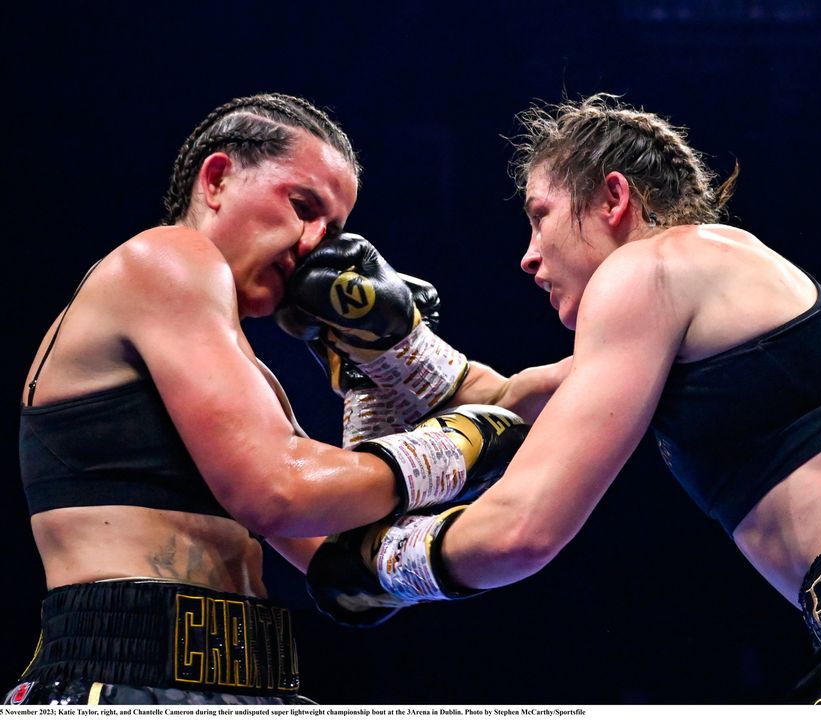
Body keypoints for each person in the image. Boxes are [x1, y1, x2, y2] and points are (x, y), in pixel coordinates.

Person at [278, 94, 821, 704]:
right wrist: (390, 341)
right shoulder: (695, 286)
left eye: (540, 217)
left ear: (613, 198)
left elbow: (522, 530)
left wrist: (381, 566)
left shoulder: (647, 268)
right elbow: (502, 400)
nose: (527, 255)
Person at [8, 93, 530, 705]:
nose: (314, 242)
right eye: (302, 206)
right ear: (218, 177)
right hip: (122, 678)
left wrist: (374, 379)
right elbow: (279, 491)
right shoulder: (165, 258)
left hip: (241, 682)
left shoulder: (241, 377)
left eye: (333, 230)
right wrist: (456, 448)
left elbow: (343, 561)